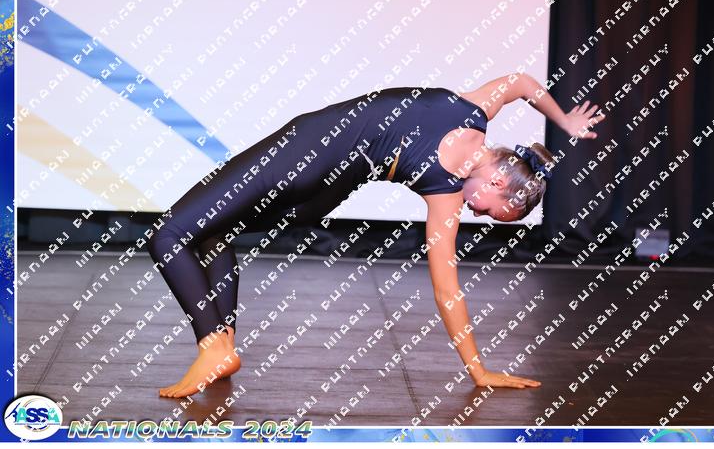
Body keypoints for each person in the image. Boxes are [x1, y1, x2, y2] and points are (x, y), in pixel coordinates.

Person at [146, 72, 604, 398]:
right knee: (212, 233)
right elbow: (446, 290)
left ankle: (213, 346)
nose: (475, 212)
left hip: (305, 153)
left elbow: (520, 83)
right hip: (320, 193)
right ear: (499, 180)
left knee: (167, 235)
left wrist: (562, 119)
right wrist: (477, 370)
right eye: (488, 209)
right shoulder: (446, 191)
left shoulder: (471, 111)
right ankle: (222, 343)